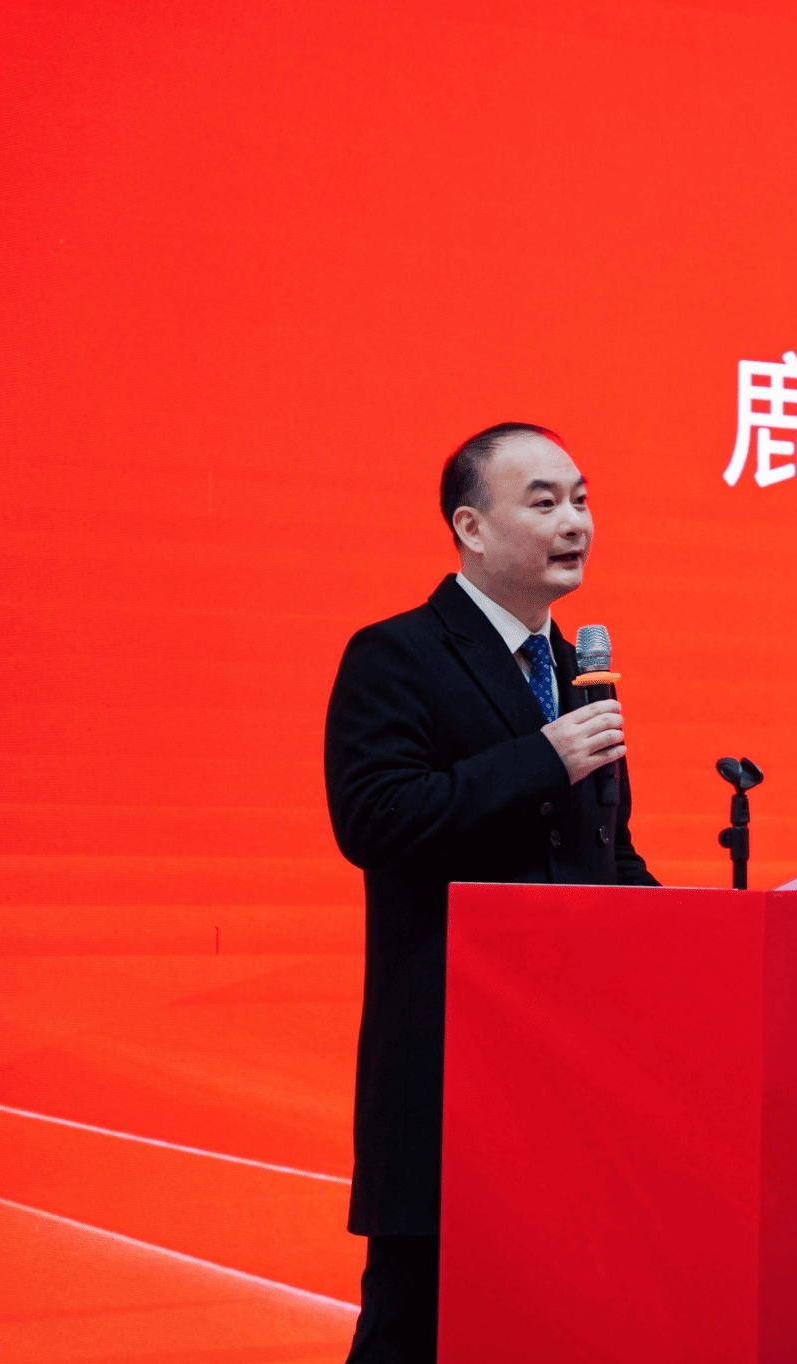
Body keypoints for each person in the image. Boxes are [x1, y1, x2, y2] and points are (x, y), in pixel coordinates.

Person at [323, 422, 659, 1362]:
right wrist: (541, 758)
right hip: (449, 1069)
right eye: (544, 503)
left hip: (570, 1070)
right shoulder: (396, 654)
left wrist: (701, 931)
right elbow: (374, 820)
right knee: (415, 1327)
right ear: (470, 528)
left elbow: (608, 855)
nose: (574, 523)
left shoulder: (579, 672)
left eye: (581, 501)